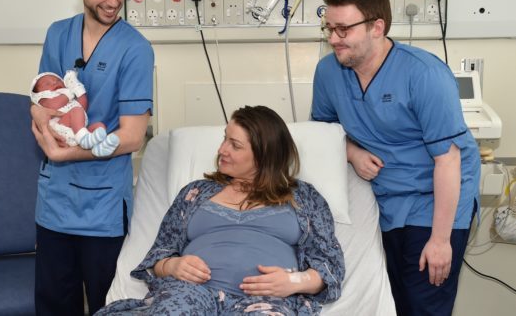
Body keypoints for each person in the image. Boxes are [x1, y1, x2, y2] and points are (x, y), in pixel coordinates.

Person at [311, 0, 480, 316]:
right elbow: (323, 133)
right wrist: (352, 153)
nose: (333, 39)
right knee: (395, 301)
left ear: (377, 27)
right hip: (387, 199)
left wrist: (440, 240)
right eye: (329, 28)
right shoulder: (329, 71)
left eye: (343, 29)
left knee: (422, 303)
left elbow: (448, 160)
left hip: (437, 198)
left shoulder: (425, 74)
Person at [95, 105, 345, 315]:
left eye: (234, 145)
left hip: (265, 301)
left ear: (263, 155)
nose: (222, 149)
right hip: (191, 293)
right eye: (225, 138)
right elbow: (160, 254)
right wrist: (172, 266)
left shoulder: (303, 197)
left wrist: (293, 282)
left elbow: (329, 266)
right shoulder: (195, 193)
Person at [30, 0, 154, 315]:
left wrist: (66, 151)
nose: (113, 1)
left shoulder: (135, 50)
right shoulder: (57, 34)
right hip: (54, 205)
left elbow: (132, 135)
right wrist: (41, 118)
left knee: (108, 306)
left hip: (101, 214)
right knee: (53, 306)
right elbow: (41, 96)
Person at [30, 70, 119, 157]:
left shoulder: (69, 99)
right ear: (37, 94)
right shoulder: (44, 99)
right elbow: (55, 104)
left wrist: (78, 89)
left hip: (77, 131)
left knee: (99, 125)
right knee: (76, 110)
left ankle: (99, 146)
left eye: (57, 80)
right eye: (47, 84)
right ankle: (83, 138)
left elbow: (82, 107)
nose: (54, 83)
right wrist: (70, 92)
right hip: (61, 128)